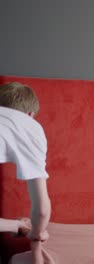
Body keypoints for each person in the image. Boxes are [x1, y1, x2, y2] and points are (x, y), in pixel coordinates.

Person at [0, 82, 51, 263]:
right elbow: (42, 210)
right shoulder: (30, 127)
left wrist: (17, 225)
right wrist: (37, 233)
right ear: (30, 115)